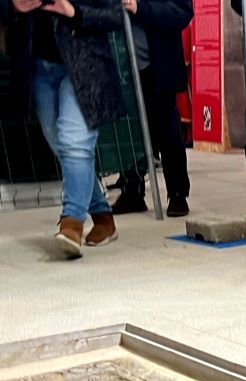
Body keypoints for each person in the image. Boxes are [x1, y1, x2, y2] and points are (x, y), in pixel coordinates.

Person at [3, 0, 125, 257]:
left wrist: (73, 11)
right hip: (37, 66)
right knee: (60, 143)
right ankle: (103, 216)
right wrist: (16, 6)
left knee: (74, 141)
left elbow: (115, 16)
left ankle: (71, 222)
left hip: (84, 66)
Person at [110, 0, 193, 217]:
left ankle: (177, 194)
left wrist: (140, 7)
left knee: (167, 131)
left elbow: (182, 12)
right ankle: (132, 191)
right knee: (128, 132)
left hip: (157, 69)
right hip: (124, 70)